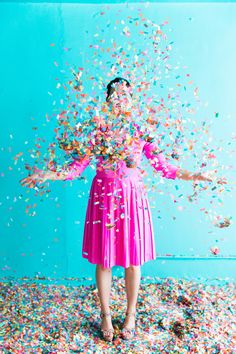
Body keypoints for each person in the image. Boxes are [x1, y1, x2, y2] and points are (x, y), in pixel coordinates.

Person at [20, 77, 226, 342]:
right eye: (115, 96)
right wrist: (46, 174)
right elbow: (74, 169)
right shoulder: (96, 132)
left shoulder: (140, 131)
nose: (120, 100)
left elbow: (166, 169)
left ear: (132, 100)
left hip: (132, 198)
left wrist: (198, 175)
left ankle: (131, 314)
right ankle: (105, 314)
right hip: (103, 199)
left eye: (125, 95)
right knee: (104, 260)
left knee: (132, 260)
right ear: (108, 101)